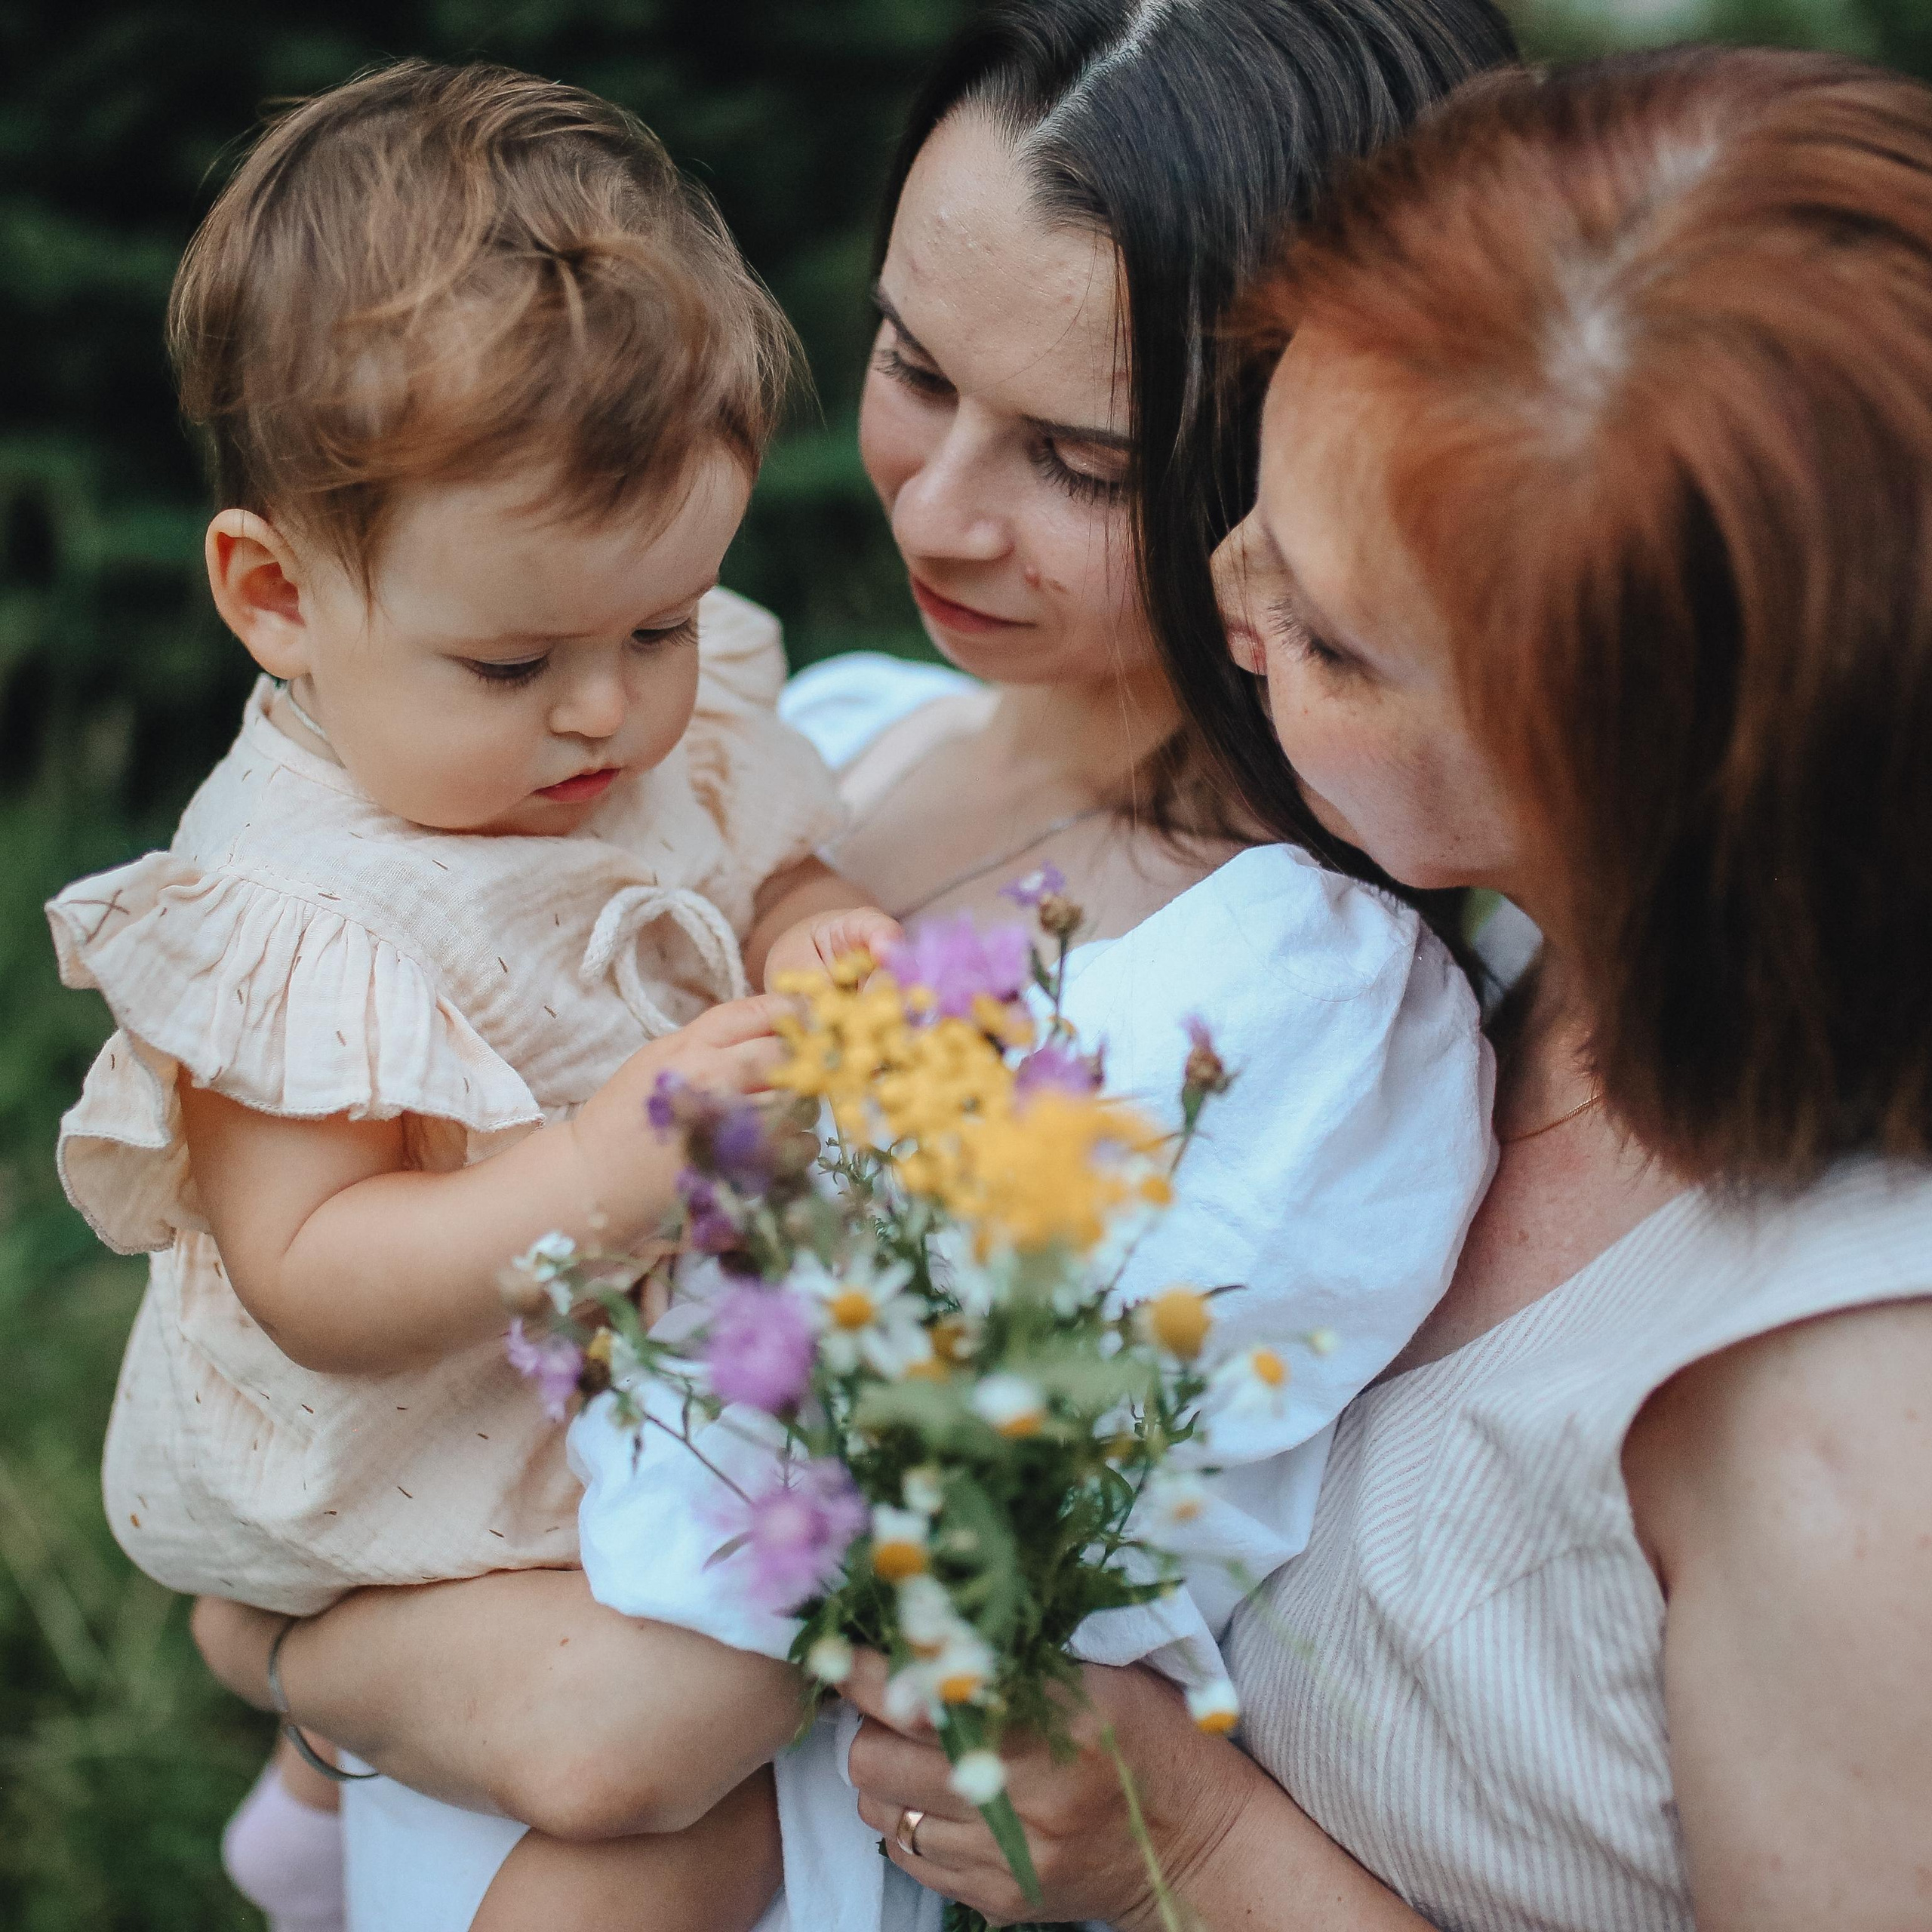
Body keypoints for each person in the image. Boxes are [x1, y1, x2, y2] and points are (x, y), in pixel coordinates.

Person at [183, 2, 1521, 1927]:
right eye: (911, 364)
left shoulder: (1281, 1008)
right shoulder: (832, 729)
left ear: (1302, 451)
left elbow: (624, 1724)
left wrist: (274, 1645)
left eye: (1076, 457)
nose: (936, 506)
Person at [827, 45, 1932, 1932]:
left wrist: (1205, 1848)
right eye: (1246, 490)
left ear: (1631, 770)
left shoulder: (1849, 1443)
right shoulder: (1487, 954)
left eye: (1328, 636)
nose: (1225, 589)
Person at [48, 60, 899, 1932]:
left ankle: (305, 1795)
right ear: (276, 596)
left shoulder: (642, 729)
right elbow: (318, 1271)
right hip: (421, 1456)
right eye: (514, 658)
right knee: (674, 1781)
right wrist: (599, 1173)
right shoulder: (293, 906)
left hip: (629, 1399)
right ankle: (304, 1721)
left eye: (663, 625)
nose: (607, 709)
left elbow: (766, 855)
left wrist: (816, 929)